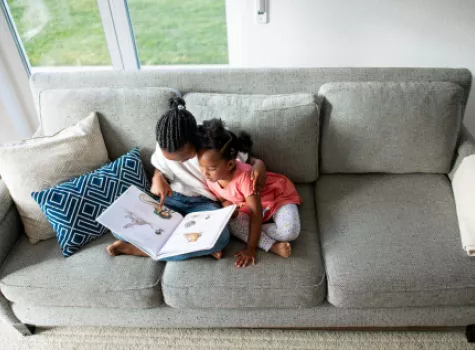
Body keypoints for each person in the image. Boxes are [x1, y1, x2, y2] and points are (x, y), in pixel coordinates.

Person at [107, 97, 267, 260]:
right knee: (119, 226)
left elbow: (245, 161)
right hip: (173, 199)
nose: (178, 162)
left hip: (205, 204)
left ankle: (138, 250)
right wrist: (157, 177)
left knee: (221, 239)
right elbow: (159, 166)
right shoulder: (165, 142)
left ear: (195, 140)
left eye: (183, 158)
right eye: (172, 159)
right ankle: (195, 247)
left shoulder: (214, 143)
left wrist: (260, 165)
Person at [197, 118, 302, 268]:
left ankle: (256, 234)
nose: (205, 173)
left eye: (211, 169)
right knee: (231, 224)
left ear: (230, 164)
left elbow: (256, 214)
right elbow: (223, 198)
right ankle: (271, 245)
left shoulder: (245, 177)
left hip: (276, 196)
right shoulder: (211, 178)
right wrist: (230, 210)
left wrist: (251, 248)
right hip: (248, 206)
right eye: (201, 167)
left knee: (289, 232)